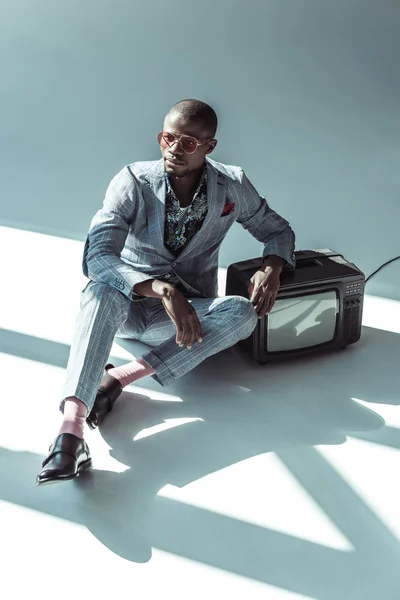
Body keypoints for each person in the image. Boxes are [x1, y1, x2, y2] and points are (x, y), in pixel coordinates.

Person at [36, 99, 296, 486]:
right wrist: (161, 289)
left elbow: (277, 230)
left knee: (242, 312)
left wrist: (271, 268)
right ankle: (70, 434)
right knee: (99, 291)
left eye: (189, 143)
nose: (174, 148)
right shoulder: (133, 181)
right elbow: (98, 257)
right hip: (126, 306)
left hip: (183, 318)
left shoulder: (232, 185)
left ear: (210, 147)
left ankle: (119, 379)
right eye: (168, 138)